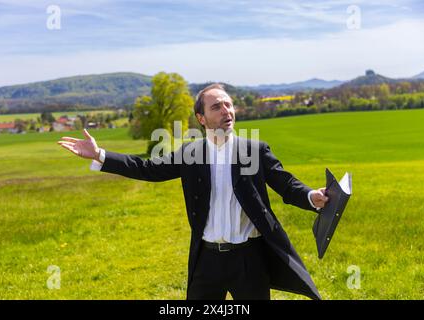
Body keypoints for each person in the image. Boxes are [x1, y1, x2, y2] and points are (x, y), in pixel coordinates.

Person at [58, 83, 328, 300]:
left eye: (229, 104)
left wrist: (310, 196)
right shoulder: (191, 154)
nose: (227, 111)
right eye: (217, 106)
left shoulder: (254, 150)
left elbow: (285, 183)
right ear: (201, 118)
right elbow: (148, 169)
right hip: (206, 260)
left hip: (249, 260)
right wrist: (101, 155)